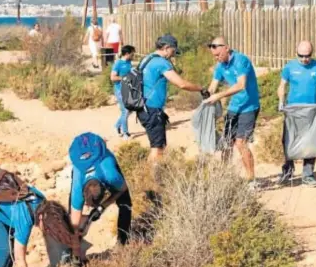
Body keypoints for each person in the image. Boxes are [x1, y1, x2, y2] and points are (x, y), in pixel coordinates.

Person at [0, 169, 82, 267]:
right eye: (46, 229)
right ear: (41, 218)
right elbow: (20, 260)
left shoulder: (43, 201)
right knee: (6, 249)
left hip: (4, 207)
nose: (46, 232)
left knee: (11, 242)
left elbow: (60, 230)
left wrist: (76, 257)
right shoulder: (24, 221)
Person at [137, 34, 208, 167]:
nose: (173, 55)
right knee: (158, 150)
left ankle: (148, 176)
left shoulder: (146, 59)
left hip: (143, 108)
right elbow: (181, 84)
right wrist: (201, 88)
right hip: (153, 110)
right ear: (166, 48)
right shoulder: (161, 62)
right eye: (173, 51)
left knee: (156, 145)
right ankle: (152, 178)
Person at [203, 36, 261, 189]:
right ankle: (224, 176)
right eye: (214, 55)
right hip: (234, 107)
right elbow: (213, 87)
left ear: (226, 48)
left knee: (240, 143)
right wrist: (207, 97)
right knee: (227, 143)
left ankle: (251, 180)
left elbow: (241, 85)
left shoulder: (241, 60)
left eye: (218, 54)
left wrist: (218, 96)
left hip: (249, 107)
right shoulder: (220, 65)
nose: (216, 58)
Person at [276, 40, 316, 188]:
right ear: (296, 53)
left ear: (312, 54)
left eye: (307, 56)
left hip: (311, 111)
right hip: (293, 110)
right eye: (301, 56)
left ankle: (308, 175)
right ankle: (288, 171)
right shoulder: (289, 67)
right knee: (288, 140)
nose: (304, 59)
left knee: (311, 142)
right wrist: (281, 101)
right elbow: (282, 85)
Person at [68, 132, 133, 259]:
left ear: (105, 186)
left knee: (125, 204)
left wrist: (103, 206)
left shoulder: (111, 176)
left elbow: (122, 188)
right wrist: (77, 255)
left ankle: (123, 242)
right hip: (81, 159)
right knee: (72, 216)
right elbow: (75, 223)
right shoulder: (78, 188)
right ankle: (72, 251)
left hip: (102, 157)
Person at [111, 45, 136, 140]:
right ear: (127, 54)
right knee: (125, 110)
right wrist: (124, 78)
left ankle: (117, 125)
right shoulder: (117, 64)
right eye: (132, 54)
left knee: (130, 109)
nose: (133, 56)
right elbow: (113, 78)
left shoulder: (129, 62)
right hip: (119, 90)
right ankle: (125, 133)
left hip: (128, 89)